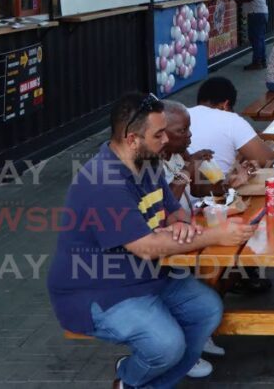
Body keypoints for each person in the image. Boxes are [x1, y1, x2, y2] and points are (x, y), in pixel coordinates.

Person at [47, 92, 256, 389]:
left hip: (147, 276)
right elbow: (145, 247)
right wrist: (214, 235)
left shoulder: (147, 164)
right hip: (97, 289)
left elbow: (172, 212)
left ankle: (141, 386)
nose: (166, 141)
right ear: (132, 139)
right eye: (158, 134)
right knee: (166, 345)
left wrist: (181, 226)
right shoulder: (103, 180)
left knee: (207, 309)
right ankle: (130, 380)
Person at [159, 100, 229, 366]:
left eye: (189, 129)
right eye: (183, 131)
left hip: (191, 231)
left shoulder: (179, 155)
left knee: (222, 269)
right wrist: (185, 173)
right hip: (171, 241)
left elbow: (200, 192)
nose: (189, 136)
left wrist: (216, 177)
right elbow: (166, 209)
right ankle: (189, 346)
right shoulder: (150, 165)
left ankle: (200, 335)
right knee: (207, 276)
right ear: (161, 134)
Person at [187, 77, 274, 180]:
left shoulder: (182, 115)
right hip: (216, 191)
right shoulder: (231, 120)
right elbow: (267, 159)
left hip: (181, 191)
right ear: (225, 105)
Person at [235, 0, 269, 71]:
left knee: (256, 38)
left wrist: (241, 0)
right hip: (261, 12)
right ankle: (262, 61)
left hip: (256, 13)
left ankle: (257, 62)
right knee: (260, 38)